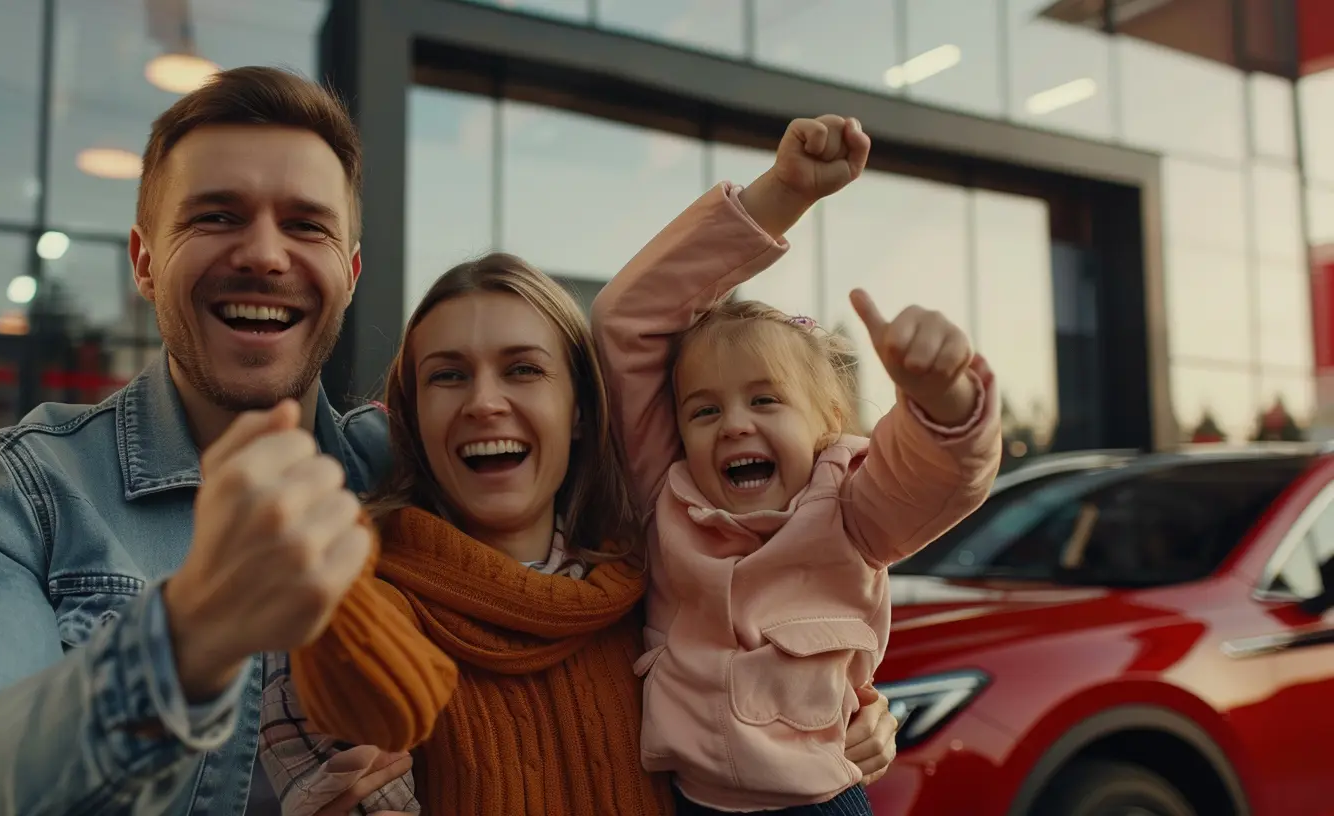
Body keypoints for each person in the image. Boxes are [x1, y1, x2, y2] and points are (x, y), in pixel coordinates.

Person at [258, 135, 902, 815]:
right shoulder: (357, 613)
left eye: (523, 369)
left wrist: (839, 713)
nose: (484, 402)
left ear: (582, 414)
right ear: (413, 418)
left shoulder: (650, 582)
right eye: (447, 376)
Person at [0, 66, 400, 814]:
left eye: (306, 224)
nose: (264, 254)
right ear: (145, 263)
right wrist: (187, 642)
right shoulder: (19, 494)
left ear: (349, 275)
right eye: (216, 216)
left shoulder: (409, 474)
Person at [591, 116, 1002, 814]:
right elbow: (624, 321)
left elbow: (939, 470)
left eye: (765, 399)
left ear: (828, 424)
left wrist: (944, 394)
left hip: (821, 801)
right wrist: (781, 194)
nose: (735, 424)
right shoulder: (665, 492)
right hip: (686, 800)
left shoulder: (852, 508)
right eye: (704, 410)